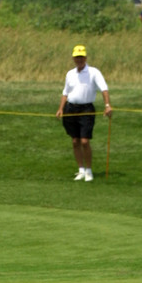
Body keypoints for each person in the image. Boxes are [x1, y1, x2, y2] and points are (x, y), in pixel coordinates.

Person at [56, 45, 113, 182]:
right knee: (75, 141)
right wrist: (61, 108)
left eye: (81, 57)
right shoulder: (70, 74)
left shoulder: (94, 72)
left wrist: (107, 105)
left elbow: (104, 89)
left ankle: (88, 170)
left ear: (85, 57)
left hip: (86, 109)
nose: (79, 59)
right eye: (77, 57)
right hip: (71, 109)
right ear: (73, 58)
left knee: (85, 141)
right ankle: (81, 170)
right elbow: (65, 92)